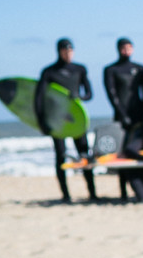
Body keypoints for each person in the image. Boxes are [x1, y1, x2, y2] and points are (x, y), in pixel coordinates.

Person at [36, 39, 97, 203]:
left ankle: (92, 193)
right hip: (58, 122)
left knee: (85, 154)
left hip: (76, 120)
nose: (68, 54)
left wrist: (80, 97)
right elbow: (39, 98)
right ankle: (65, 195)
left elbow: (89, 94)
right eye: (65, 51)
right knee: (60, 156)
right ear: (59, 51)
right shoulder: (49, 72)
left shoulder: (80, 69)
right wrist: (43, 122)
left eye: (70, 51)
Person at [104, 38, 143, 201]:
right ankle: (123, 190)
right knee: (122, 153)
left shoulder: (140, 69)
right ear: (118, 49)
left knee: (141, 151)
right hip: (121, 118)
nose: (126, 51)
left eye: (129, 48)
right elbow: (112, 95)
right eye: (123, 48)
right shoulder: (111, 69)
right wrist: (122, 115)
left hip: (139, 117)